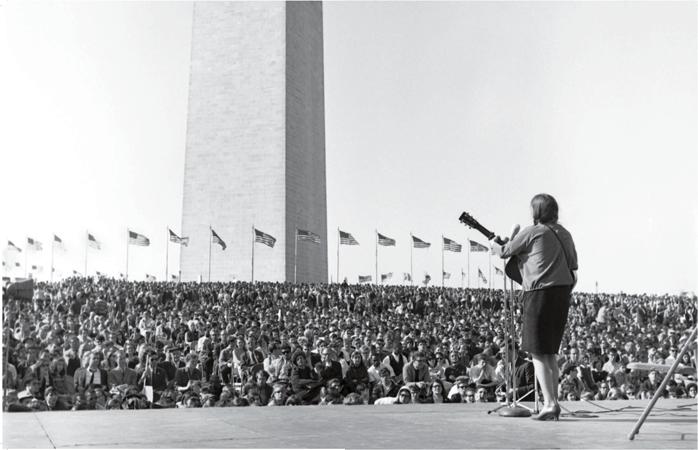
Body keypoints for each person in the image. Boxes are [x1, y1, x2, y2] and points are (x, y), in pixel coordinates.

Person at [490, 193, 578, 422]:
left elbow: (503, 252)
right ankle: (554, 402)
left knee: (537, 352)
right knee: (550, 353)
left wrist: (493, 244)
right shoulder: (565, 234)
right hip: (562, 295)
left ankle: (549, 404)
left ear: (536, 212)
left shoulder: (533, 231)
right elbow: (573, 265)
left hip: (539, 295)